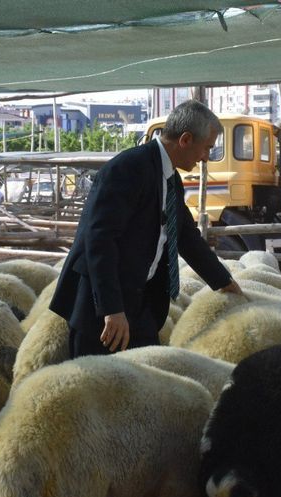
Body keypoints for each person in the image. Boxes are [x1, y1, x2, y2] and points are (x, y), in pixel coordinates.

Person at [49, 100, 242, 358]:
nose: (206, 157)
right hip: (101, 309)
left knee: (145, 381)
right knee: (100, 389)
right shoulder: (127, 169)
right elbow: (100, 239)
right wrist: (111, 309)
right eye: (206, 148)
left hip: (141, 303)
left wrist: (225, 282)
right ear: (185, 140)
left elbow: (184, 235)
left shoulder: (170, 178)